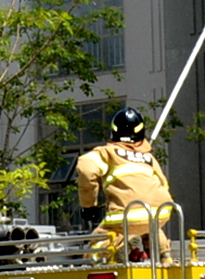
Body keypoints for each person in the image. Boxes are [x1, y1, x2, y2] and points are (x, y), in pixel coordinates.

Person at [73, 108, 175, 255]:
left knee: (98, 242)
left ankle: (120, 246)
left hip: (126, 215)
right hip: (161, 212)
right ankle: (164, 253)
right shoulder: (149, 158)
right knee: (149, 225)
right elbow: (164, 184)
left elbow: (86, 169)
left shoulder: (106, 153)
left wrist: (89, 206)